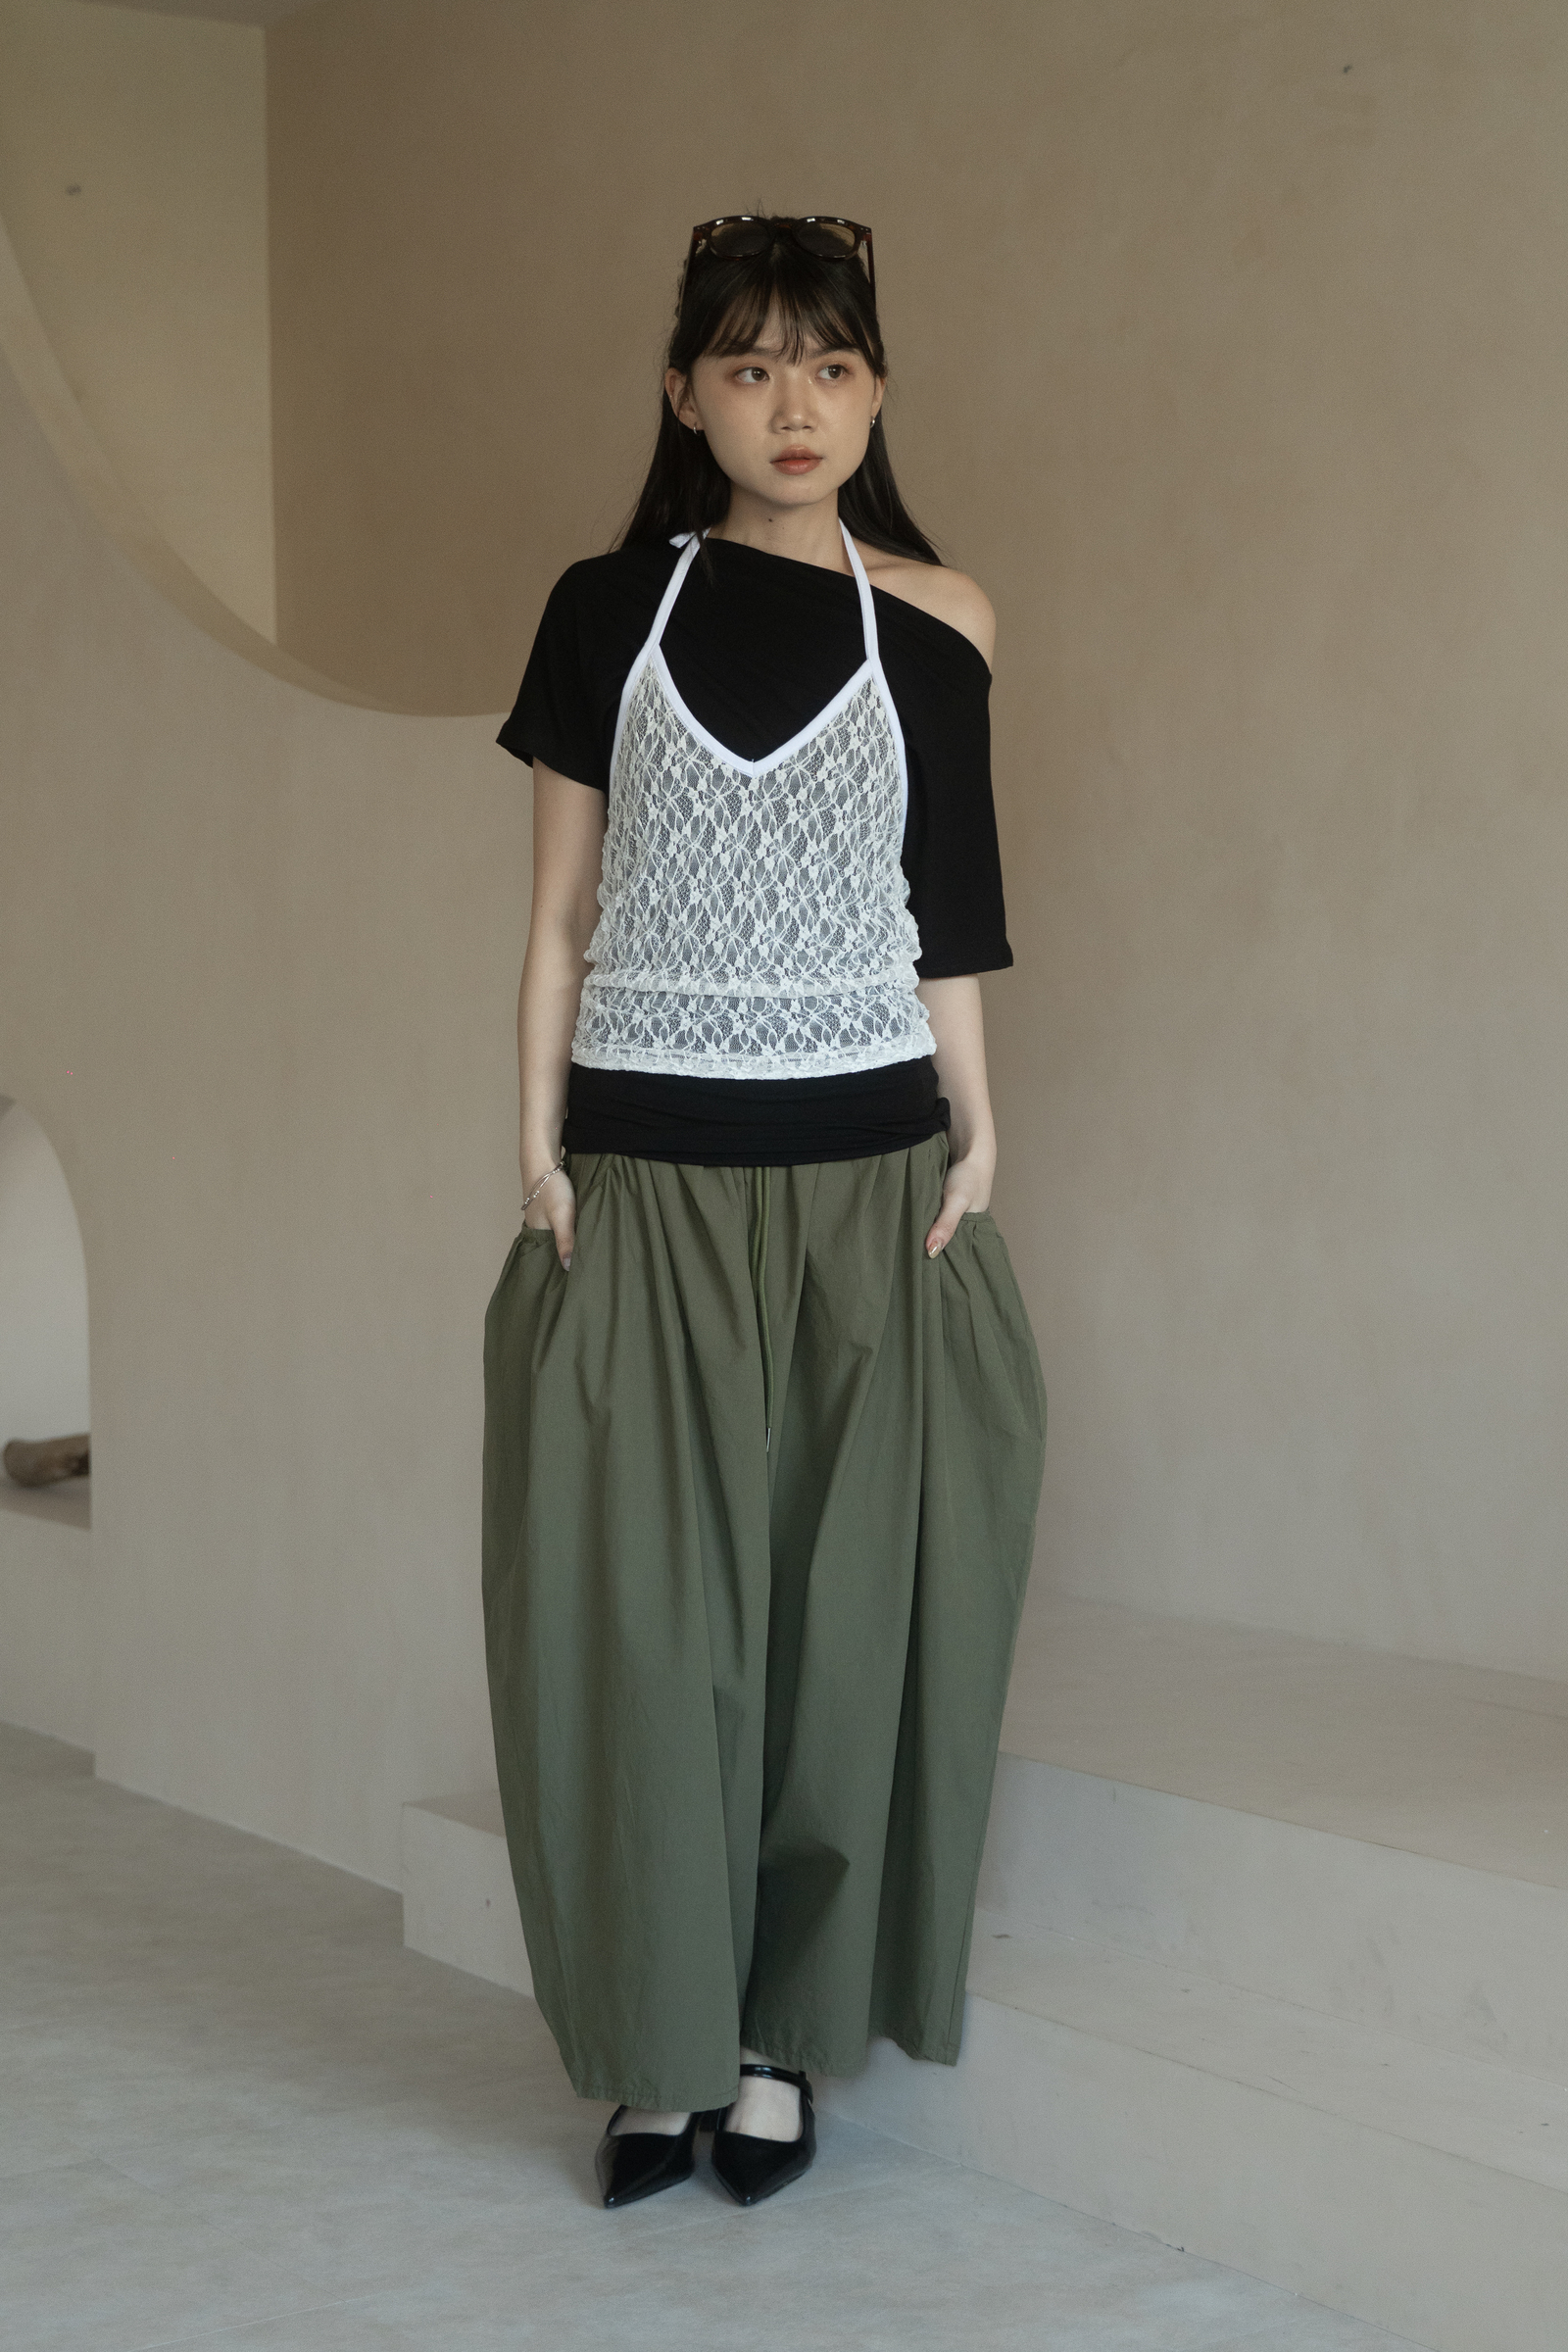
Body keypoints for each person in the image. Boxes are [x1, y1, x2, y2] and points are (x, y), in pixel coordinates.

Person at [483, 214, 1046, 2211]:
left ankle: (776, 2044)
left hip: (869, 1180)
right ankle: (657, 2049)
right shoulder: (599, 612)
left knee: (834, 1631)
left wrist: (980, 1134)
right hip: (640, 1184)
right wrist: (535, 1150)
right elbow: (559, 917)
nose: (788, 404)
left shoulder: (942, 622)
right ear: (682, 393)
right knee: (650, 1637)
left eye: (826, 364)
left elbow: (946, 917)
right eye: (745, 365)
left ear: (875, 392)